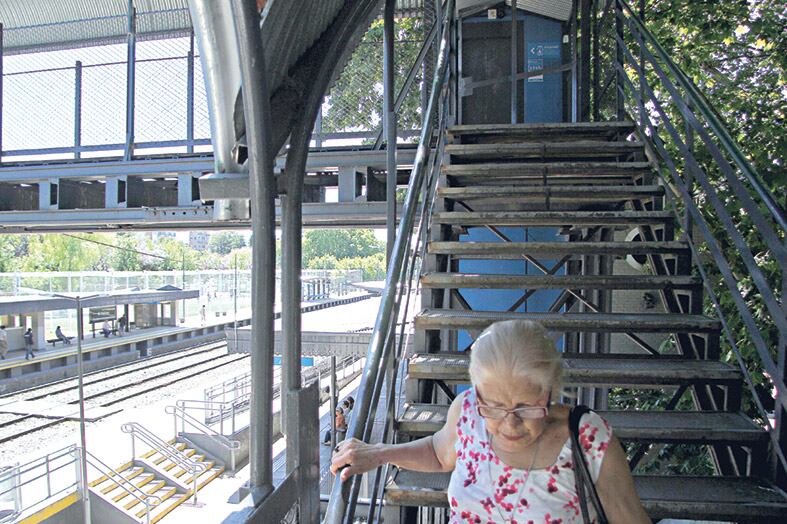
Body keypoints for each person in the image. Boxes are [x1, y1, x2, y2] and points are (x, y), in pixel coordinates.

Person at [331, 320, 650, 523]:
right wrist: (378, 454)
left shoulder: (588, 440)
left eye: (526, 407)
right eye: (494, 406)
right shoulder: (468, 409)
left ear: (550, 391)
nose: (509, 425)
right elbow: (440, 453)